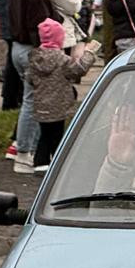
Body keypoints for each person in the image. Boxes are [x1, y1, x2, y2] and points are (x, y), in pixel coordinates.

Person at [25, 18, 97, 174]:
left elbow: (30, 79)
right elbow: (79, 70)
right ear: (59, 38)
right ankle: (58, 163)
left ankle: (41, 162)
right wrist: (89, 54)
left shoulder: (34, 59)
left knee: (45, 134)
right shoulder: (62, 60)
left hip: (40, 104)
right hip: (59, 104)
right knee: (57, 134)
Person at [5, 0, 51, 170]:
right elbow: (38, 20)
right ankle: (24, 151)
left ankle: (26, 148)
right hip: (31, 47)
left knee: (30, 98)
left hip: (17, 47)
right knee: (32, 101)